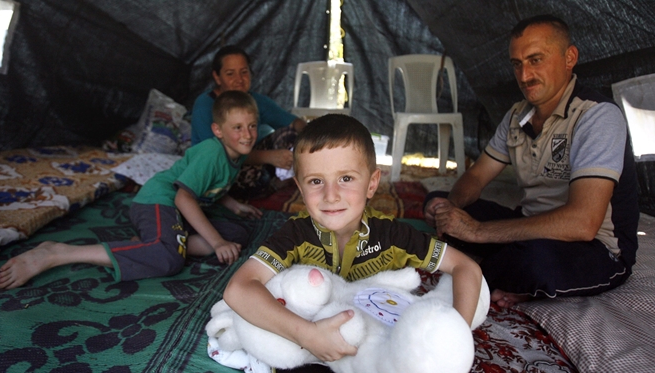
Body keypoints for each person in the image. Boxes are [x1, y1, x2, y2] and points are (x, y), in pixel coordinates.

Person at [223, 114, 483, 372]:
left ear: (371, 184)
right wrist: (307, 335)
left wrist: (454, 336)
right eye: (316, 181)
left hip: (374, 348)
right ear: (300, 189)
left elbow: (466, 267)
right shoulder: (295, 234)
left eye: (346, 178)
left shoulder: (392, 236)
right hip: (313, 344)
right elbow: (238, 289)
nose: (331, 195)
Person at [424, 14, 640, 308]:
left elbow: (583, 223)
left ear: (570, 57)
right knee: (436, 202)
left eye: (536, 60)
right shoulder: (517, 115)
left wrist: (475, 231)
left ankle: (497, 272)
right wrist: (453, 209)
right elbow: (476, 178)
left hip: (595, 248)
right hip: (529, 228)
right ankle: (510, 270)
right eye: (517, 64)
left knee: (534, 260)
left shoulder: (597, 116)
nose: (524, 76)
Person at [0, 91, 263, 290]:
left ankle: (160, 244)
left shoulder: (234, 154)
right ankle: (57, 253)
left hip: (180, 212)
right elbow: (184, 196)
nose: (247, 134)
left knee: (237, 233)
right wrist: (216, 242)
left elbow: (211, 186)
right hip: (159, 202)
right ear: (218, 130)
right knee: (169, 259)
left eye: (251, 126)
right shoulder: (212, 153)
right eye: (237, 128)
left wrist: (234, 206)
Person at [191, 45, 308, 199]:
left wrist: (319, 139)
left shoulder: (255, 100)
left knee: (289, 134)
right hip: (222, 168)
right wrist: (269, 157)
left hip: (254, 158)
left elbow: (294, 123)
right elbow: (218, 154)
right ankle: (269, 186)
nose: (239, 80)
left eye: (244, 72)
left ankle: (278, 180)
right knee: (249, 176)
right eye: (230, 74)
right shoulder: (205, 106)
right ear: (217, 77)